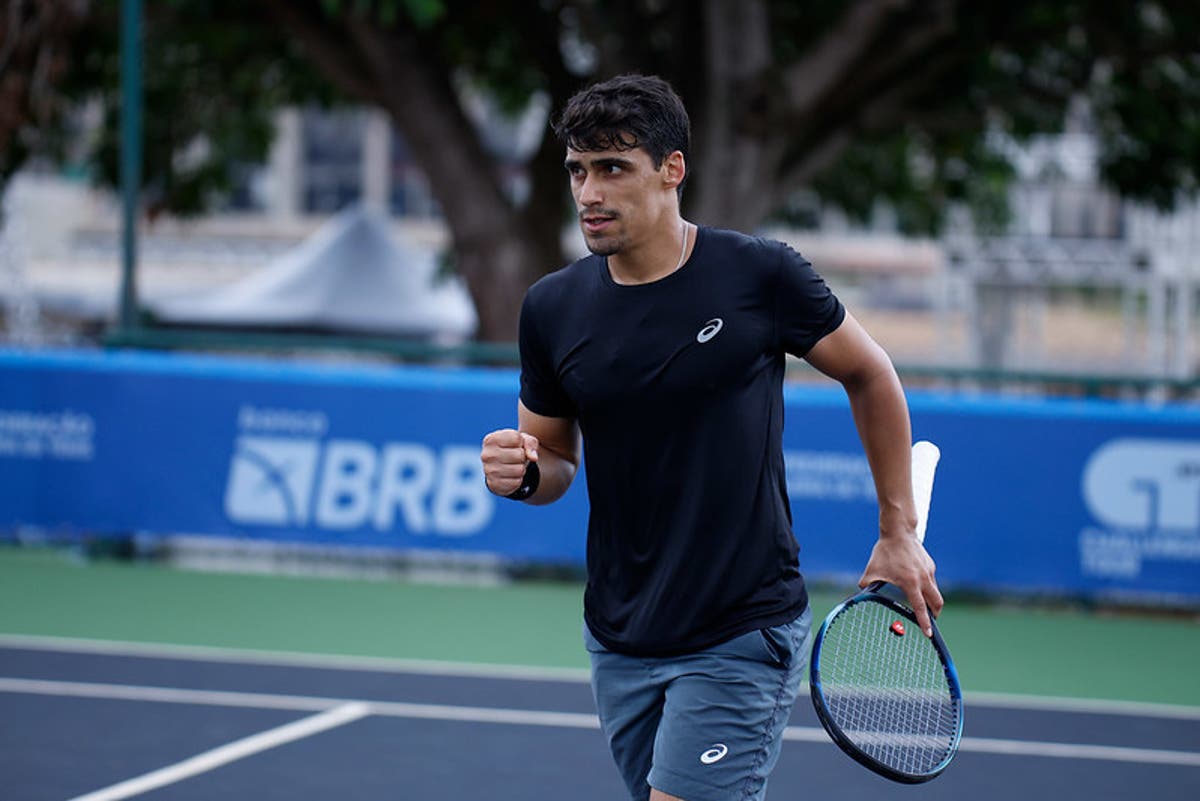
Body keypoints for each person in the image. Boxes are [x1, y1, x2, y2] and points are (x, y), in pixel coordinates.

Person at [480, 74, 942, 801]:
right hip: (619, 634)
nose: (589, 192)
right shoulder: (551, 308)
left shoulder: (760, 275)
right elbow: (557, 456)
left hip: (739, 628)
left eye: (612, 168)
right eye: (577, 169)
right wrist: (525, 473)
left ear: (672, 170)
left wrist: (897, 527)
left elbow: (870, 373)